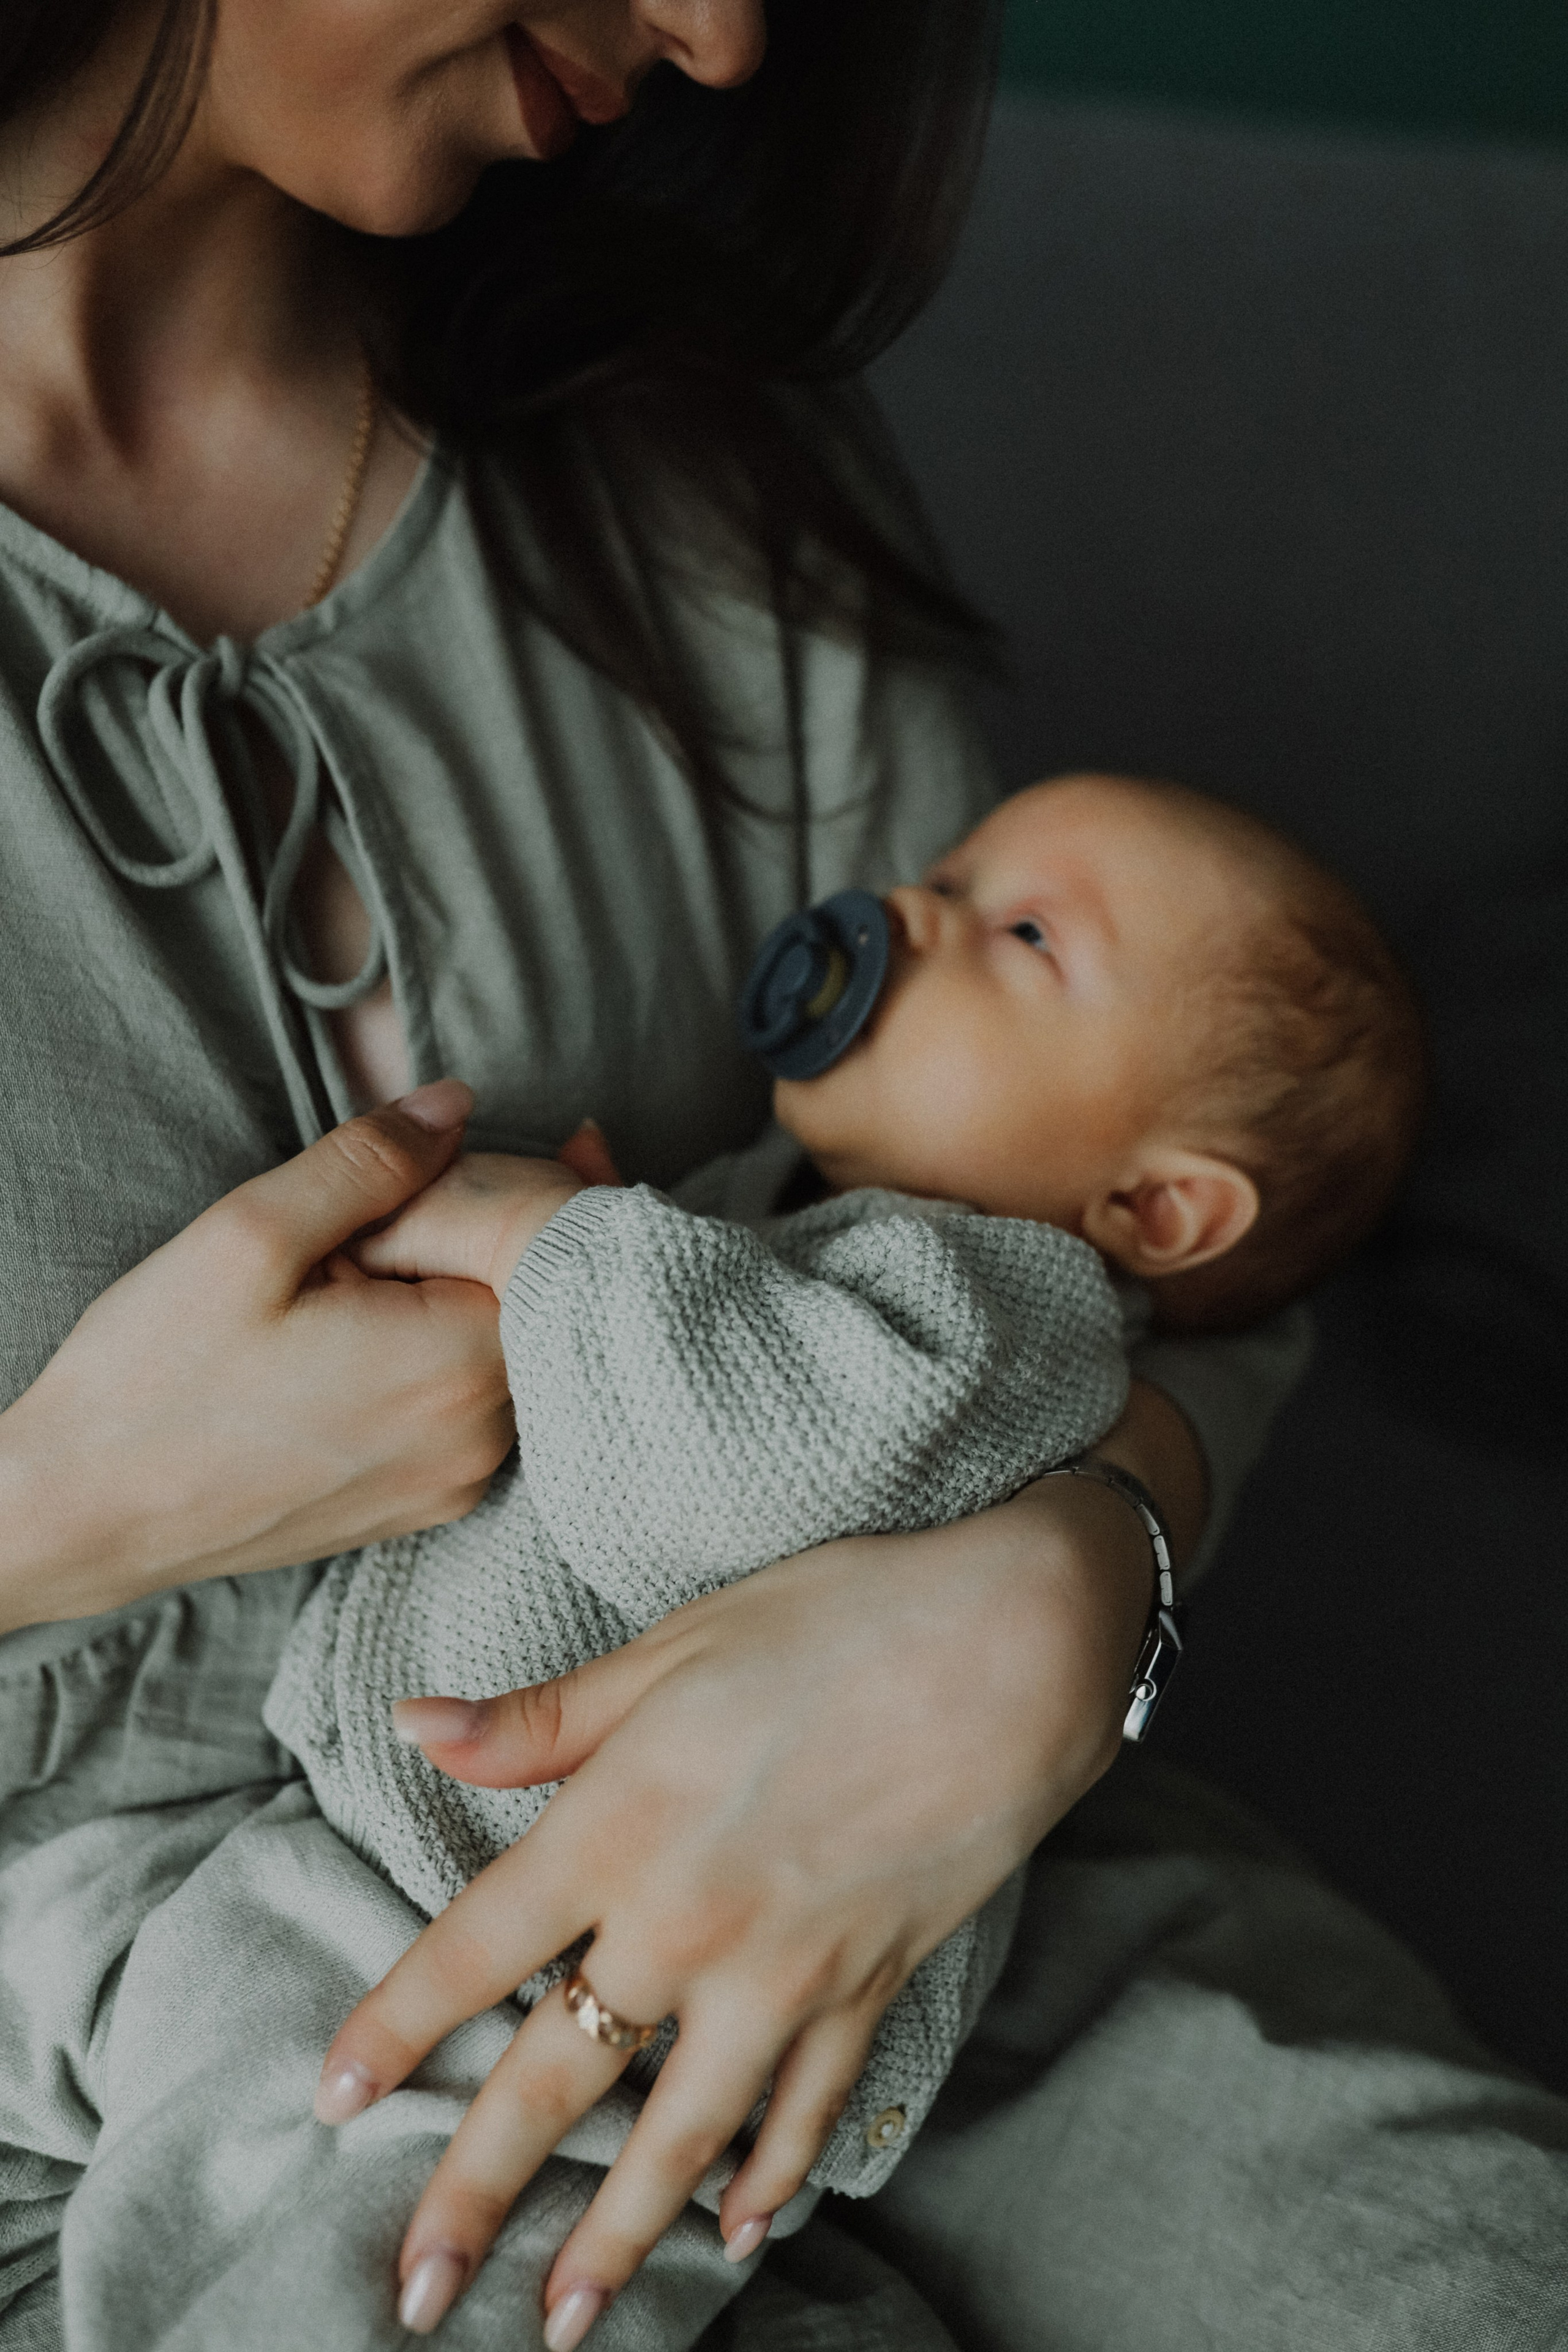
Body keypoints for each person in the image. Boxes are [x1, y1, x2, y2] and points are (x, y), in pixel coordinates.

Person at [0, 6, 1565, 2352]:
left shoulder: (694, 471)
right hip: (186, 2018)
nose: (728, 36)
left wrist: (1049, 1598)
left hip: (948, 1881)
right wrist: (72, 1516)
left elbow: (1162, 1217)